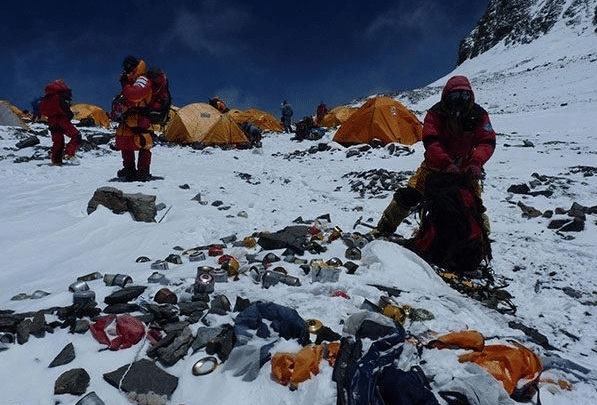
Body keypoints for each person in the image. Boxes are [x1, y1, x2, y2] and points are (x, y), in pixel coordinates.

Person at [376, 75, 496, 236]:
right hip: (434, 168)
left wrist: (476, 162)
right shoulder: (435, 114)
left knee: (473, 205)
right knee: (409, 196)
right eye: (455, 96)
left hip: (466, 170)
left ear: (470, 96)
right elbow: (432, 142)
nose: (459, 100)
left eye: (464, 95)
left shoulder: (479, 115)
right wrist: (446, 163)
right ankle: (383, 230)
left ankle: (479, 240)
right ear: (446, 96)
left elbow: (487, 141)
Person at [112, 56, 154, 181]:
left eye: (129, 66)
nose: (126, 69)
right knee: (125, 143)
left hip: (141, 119)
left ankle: (142, 172)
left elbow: (134, 95)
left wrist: (125, 84)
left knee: (143, 143)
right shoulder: (131, 81)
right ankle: (129, 170)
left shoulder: (143, 79)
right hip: (128, 119)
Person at [38, 80, 81, 166]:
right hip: (61, 119)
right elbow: (65, 108)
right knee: (76, 135)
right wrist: (70, 115)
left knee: (58, 141)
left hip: (51, 121)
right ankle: (69, 154)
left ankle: (56, 161)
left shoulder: (48, 97)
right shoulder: (61, 95)